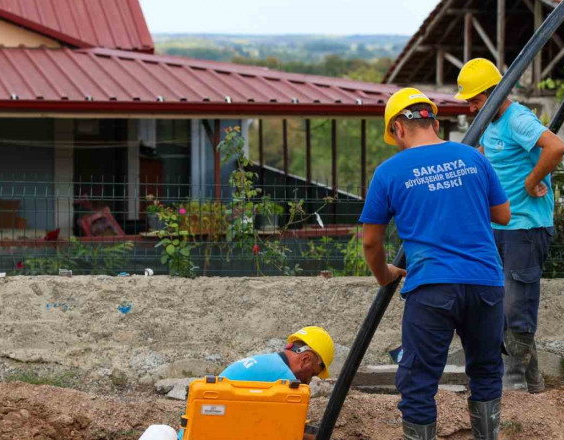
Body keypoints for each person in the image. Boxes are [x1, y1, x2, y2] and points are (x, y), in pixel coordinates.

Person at [360, 88, 511, 440]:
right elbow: (502, 214)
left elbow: (371, 241)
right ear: (434, 120)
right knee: (487, 370)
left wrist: (386, 275)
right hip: (485, 282)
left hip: (431, 287)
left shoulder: (389, 172)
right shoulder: (473, 158)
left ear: (398, 127)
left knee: (418, 380)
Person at [455, 58, 564, 394]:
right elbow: (492, 157)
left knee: (517, 301)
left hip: (526, 227)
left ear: (493, 93)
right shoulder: (491, 123)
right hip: (501, 225)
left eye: (475, 100)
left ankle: (515, 378)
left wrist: (533, 180)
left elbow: (556, 147)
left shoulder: (517, 118)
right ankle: (531, 382)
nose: (471, 107)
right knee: (499, 301)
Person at [138, 326, 335, 440]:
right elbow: (288, 432)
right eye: (314, 374)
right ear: (306, 360)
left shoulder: (267, 362)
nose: (308, 381)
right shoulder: (286, 383)